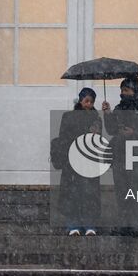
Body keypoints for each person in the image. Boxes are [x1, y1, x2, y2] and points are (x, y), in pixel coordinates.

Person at [105, 75, 138, 235]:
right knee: (122, 191)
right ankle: (124, 223)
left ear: (134, 91)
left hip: (137, 157)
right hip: (120, 156)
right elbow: (111, 130)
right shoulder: (118, 109)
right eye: (122, 90)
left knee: (136, 190)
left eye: (126, 90)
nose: (123, 93)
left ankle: (136, 224)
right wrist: (107, 114)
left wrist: (134, 133)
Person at [57, 87, 103, 235]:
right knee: (72, 193)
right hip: (72, 161)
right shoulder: (68, 116)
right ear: (81, 100)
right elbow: (63, 137)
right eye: (86, 101)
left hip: (89, 162)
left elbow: (98, 142)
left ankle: (90, 225)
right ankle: (73, 225)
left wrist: (94, 135)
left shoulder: (96, 119)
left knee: (89, 194)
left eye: (91, 101)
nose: (89, 104)